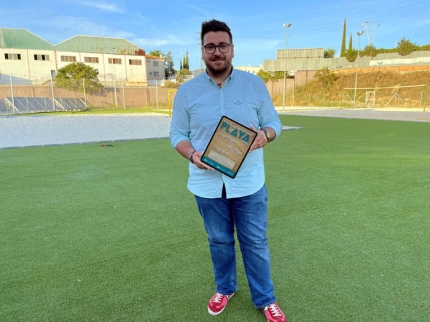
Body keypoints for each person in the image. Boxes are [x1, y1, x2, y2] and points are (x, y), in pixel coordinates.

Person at [169, 19, 286, 322]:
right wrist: (193, 155)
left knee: (255, 242)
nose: (217, 51)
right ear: (203, 51)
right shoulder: (186, 91)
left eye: (222, 45)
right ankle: (226, 288)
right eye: (210, 46)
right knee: (219, 241)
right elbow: (177, 135)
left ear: (232, 49)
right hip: (207, 185)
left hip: (249, 182)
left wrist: (265, 135)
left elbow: (274, 123)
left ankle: (265, 298)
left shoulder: (254, 84)